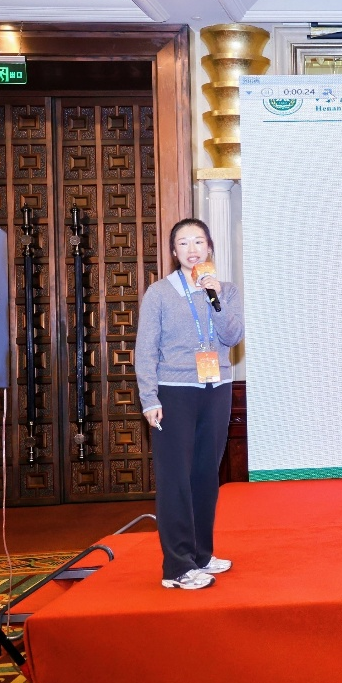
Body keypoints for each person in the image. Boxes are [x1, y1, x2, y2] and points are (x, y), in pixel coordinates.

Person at [135, 218, 245, 590]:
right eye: (183, 243)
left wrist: (215, 298)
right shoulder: (159, 293)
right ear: (174, 252)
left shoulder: (226, 290)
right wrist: (149, 397)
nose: (192, 249)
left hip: (216, 389)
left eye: (198, 241)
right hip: (173, 392)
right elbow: (145, 349)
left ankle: (200, 554)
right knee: (175, 479)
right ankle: (177, 567)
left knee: (204, 476)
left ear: (209, 248)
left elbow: (233, 335)